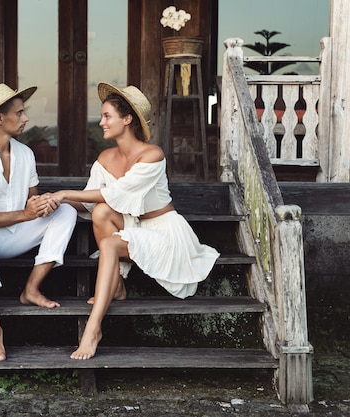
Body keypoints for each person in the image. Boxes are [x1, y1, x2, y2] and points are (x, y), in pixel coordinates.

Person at [47, 83, 220, 360]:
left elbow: (118, 192)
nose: (101, 122)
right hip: (133, 226)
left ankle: (93, 329)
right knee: (101, 211)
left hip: (165, 231)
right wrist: (53, 200)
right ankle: (117, 286)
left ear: (127, 119)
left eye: (107, 116)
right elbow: (91, 202)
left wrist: (65, 191)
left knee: (110, 245)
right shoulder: (105, 158)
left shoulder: (152, 155)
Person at [0, 83, 77, 361]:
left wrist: (46, 204)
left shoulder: (25, 154)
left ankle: (31, 288)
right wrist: (25, 214)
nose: (26, 118)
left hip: (13, 235)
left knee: (66, 212)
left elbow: (32, 204)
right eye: (19, 113)